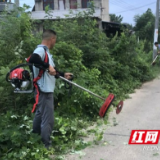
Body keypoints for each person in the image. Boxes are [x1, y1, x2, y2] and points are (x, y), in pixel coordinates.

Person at [29, 29, 72, 149]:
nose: (55, 43)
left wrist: (62, 74)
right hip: (44, 90)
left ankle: (35, 137)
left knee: (40, 114)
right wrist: (47, 66)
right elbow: (33, 59)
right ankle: (46, 146)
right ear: (52, 39)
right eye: (55, 40)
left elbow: (50, 71)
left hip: (43, 89)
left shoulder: (46, 53)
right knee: (48, 119)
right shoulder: (40, 50)